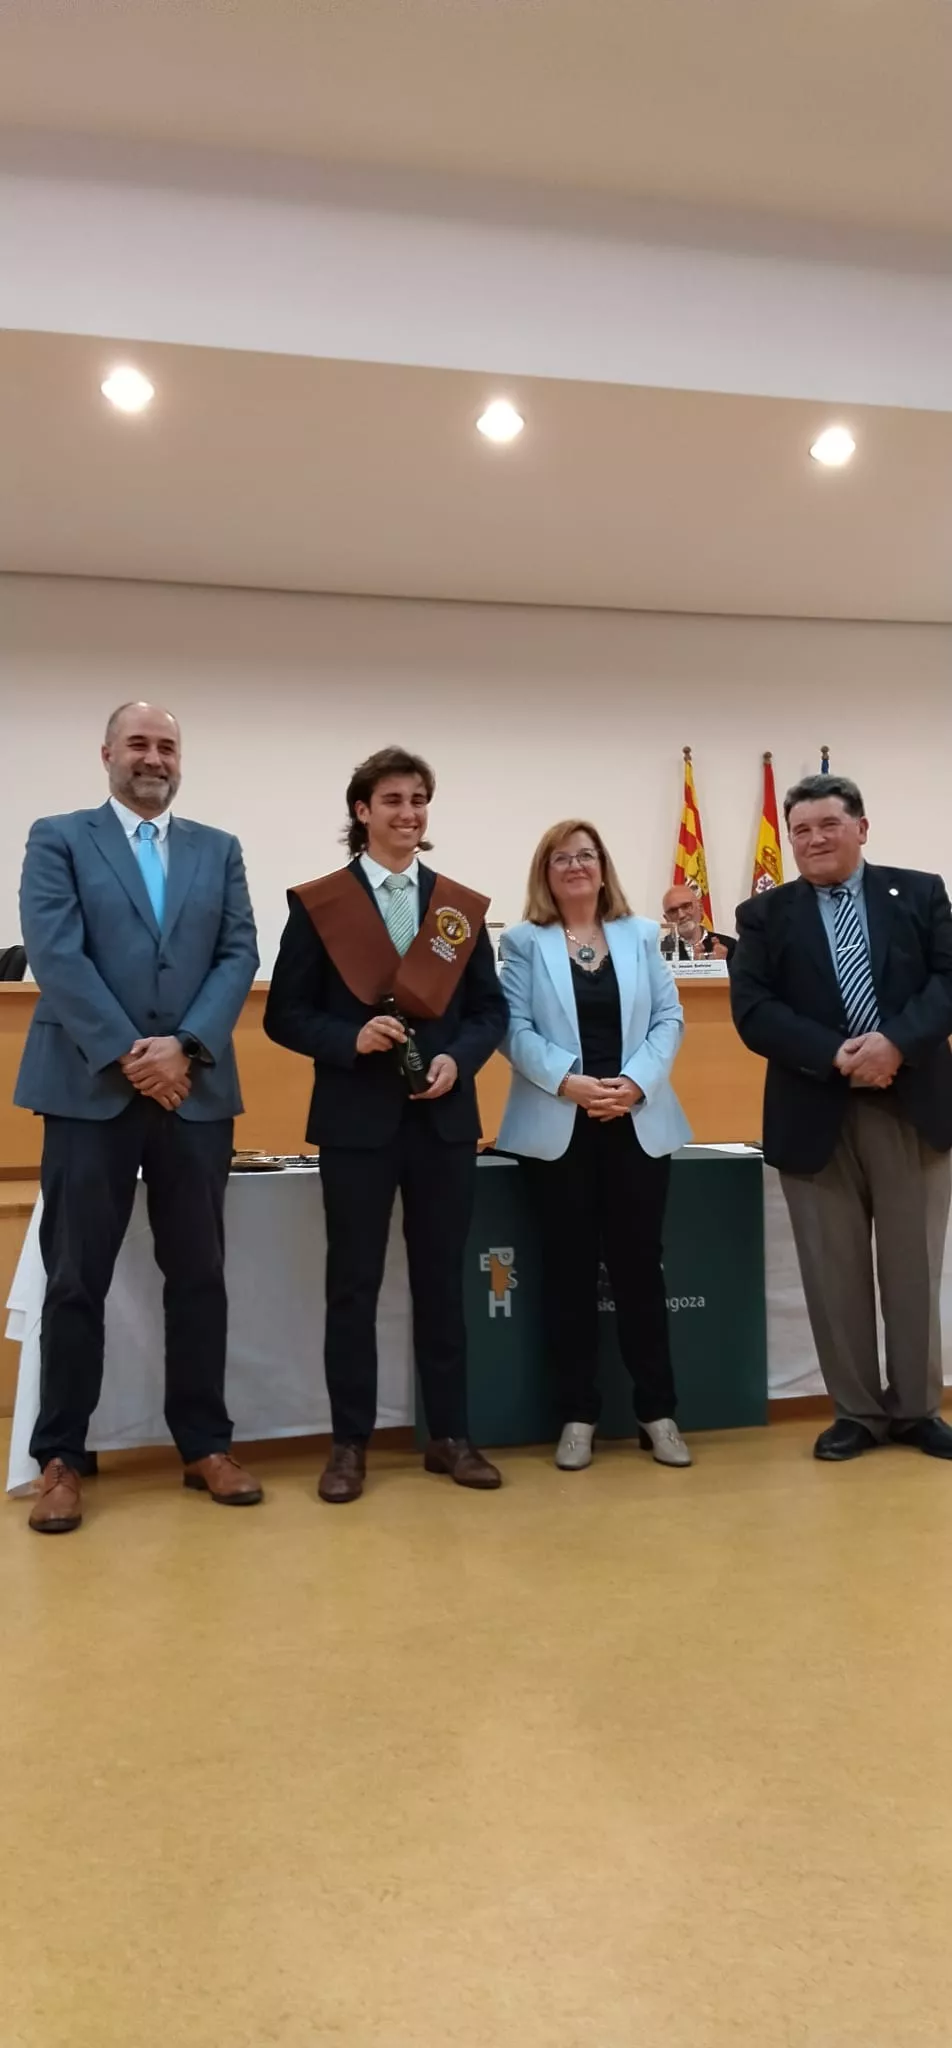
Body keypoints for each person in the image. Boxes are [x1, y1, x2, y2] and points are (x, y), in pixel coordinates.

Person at [16, 702, 262, 1533]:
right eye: (138, 744)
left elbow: (238, 953)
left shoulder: (217, 850)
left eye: (166, 745)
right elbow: (55, 952)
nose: (153, 758)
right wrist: (131, 1052)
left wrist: (185, 1047)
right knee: (76, 1278)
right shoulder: (58, 837)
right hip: (89, 1089)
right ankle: (60, 1458)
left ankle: (205, 1445)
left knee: (199, 1274)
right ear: (107, 755)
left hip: (194, 1092)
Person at [264, 745, 508, 1505]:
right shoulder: (320, 905)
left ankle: (451, 1437)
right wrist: (348, 1039)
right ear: (362, 811)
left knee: (443, 1284)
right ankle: (348, 1446)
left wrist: (460, 1062)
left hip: (442, 1123)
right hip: (355, 1123)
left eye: (419, 800)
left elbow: (488, 1011)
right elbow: (283, 1014)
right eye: (393, 800)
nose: (409, 813)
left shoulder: (457, 908)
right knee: (353, 1286)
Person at [730, 772, 952, 1462]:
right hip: (815, 1109)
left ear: (861, 826)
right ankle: (857, 1412)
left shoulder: (919, 893)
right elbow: (756, 1011)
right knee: (833, 1272)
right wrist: (837, 1055)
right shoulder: (763, 916)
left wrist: (895, 1045)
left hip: (911, 1105)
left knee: (913, 1266)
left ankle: (917, 1409)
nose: (814, 839)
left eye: (828, 825)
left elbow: (948, 980)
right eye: (801, 830)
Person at [497, 821, 692, 1471]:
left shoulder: (641, 936)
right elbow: (513, 1030)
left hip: (637, 1121)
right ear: (545, 874)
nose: (576, 866)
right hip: (560, 1127)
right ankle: (576, 1415)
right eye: (562, 858)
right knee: (569, 1275)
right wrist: (571, 1083)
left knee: (641, 1271)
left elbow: (669, 1018)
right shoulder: (524, 943)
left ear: (603, 869)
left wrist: (634, 1084)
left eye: (586, 856)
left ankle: (657, 1413)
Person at [660, 881, 735, 962]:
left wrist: (720, 967)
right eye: (673, 911)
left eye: (686, 906)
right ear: (667, 919)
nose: (681, 915)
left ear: (700, 907)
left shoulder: (729, 946)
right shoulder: (658, 952)